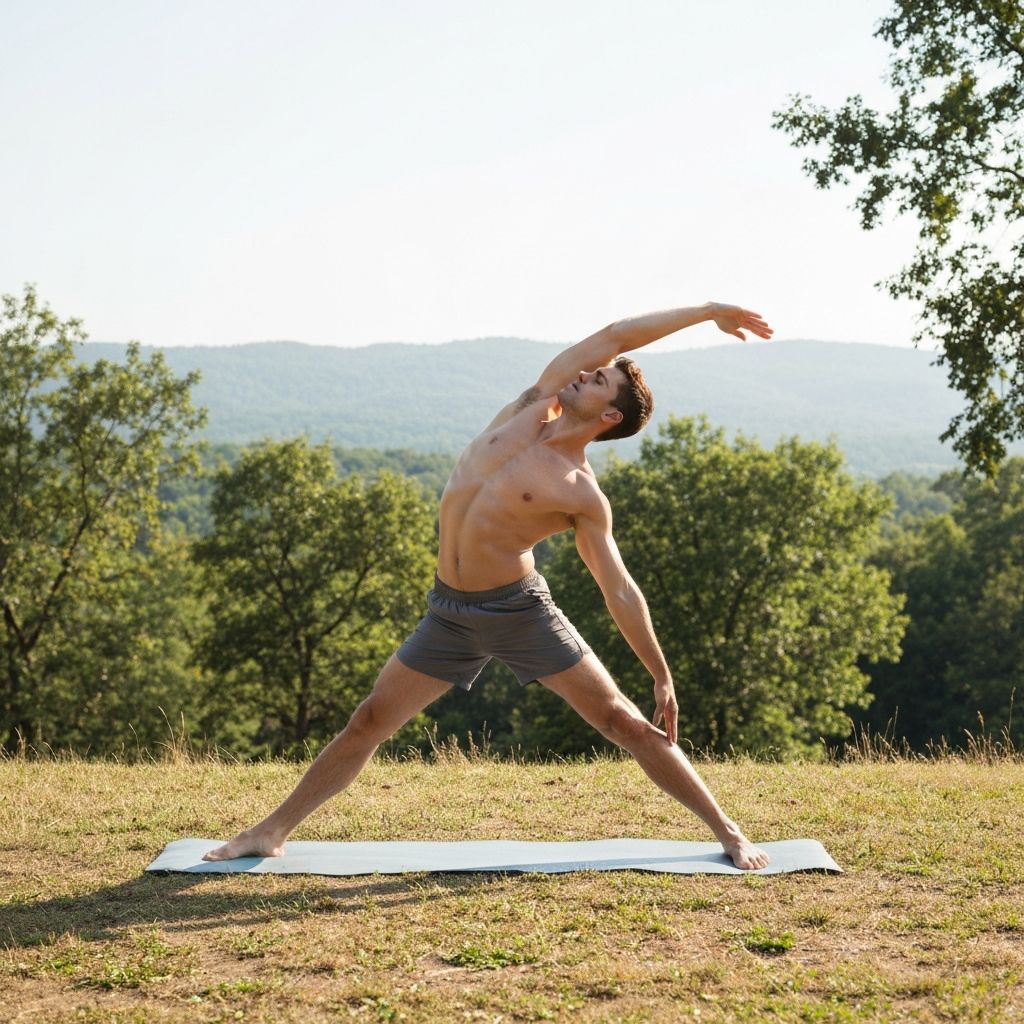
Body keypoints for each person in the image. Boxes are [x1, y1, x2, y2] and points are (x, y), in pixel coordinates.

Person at [204, 301, 775, 869]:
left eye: (600, 380)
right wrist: (707, 312)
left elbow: (618, 588)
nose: (585, 372)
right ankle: (269, 831)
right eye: (593, 369)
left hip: (518, 611)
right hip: (448, 612)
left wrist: (660, 674)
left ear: (609, 417)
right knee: (370, 720)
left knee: (623, 722)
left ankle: (729, 832)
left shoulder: (580, 492)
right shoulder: (529, 407)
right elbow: (615, 332)